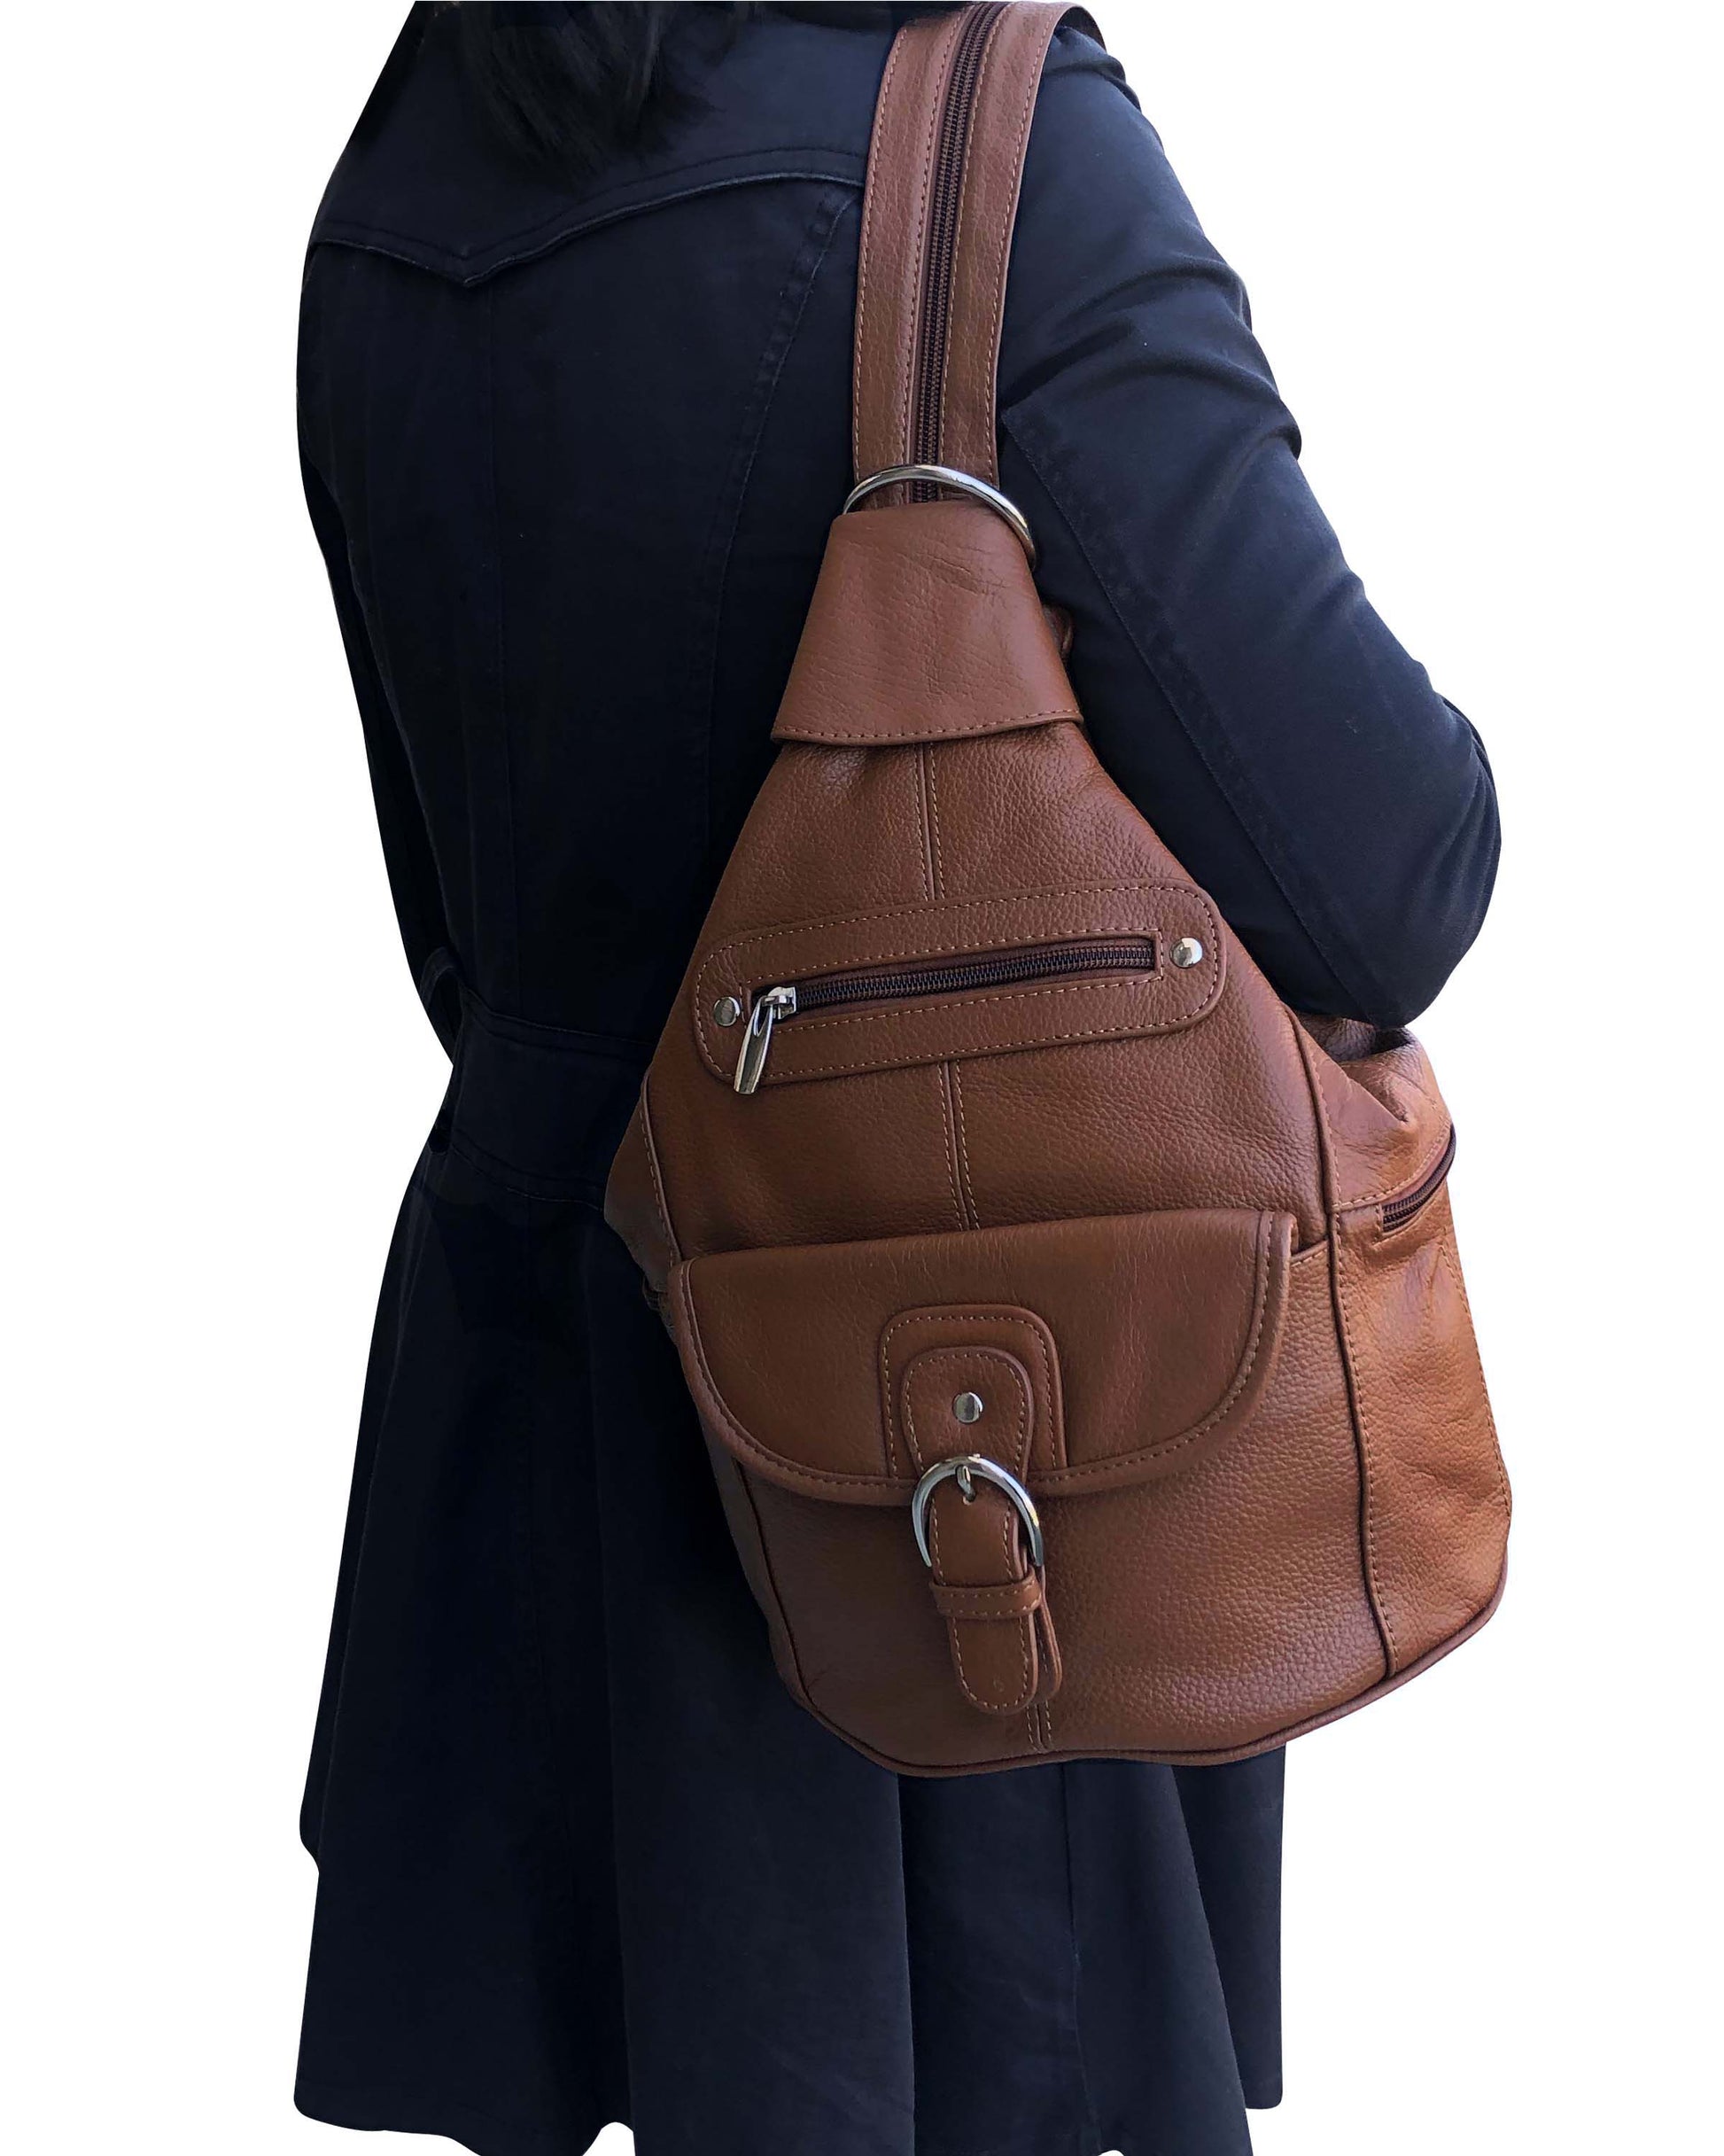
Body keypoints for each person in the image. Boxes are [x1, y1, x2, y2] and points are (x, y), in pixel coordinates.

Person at [292, 8, 1500, 2154]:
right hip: (951, 1453)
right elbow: (1384, 869)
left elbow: (450, 919)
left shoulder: (400, 174)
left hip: (539, 1412)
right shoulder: (995, 142)